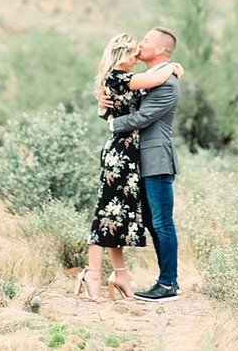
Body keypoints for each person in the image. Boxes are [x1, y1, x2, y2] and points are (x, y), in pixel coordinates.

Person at [78, 32, 184, 303]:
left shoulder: (166, 83)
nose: (141, 45)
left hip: (155, 158)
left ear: (160, 49)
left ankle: (168, 284)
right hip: (135, 160)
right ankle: (150, 279)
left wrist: (112, 124)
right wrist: (105, 109)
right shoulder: (143, 81)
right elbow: (123, 102)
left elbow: (144, 117)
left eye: (146, 41)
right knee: (150, 221)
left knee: (161, 222)